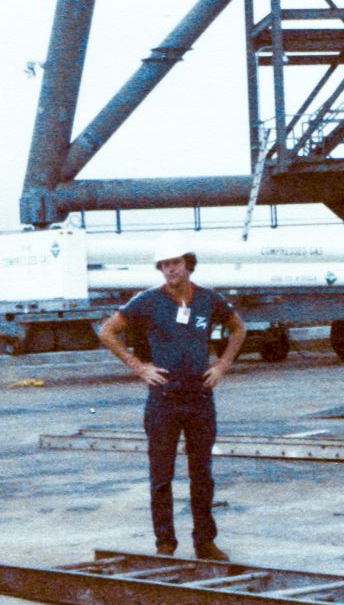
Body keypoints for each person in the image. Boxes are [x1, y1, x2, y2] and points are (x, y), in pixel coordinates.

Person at [98, 233, 246, 561]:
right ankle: (165, 543)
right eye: (164, 265)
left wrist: (222, 364)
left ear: (188, 265)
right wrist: (139, 367)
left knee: (202, 473)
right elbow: (107, 331)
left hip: (200, 398)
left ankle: (204, 542)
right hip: (163, 400)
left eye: (176, 263)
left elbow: (239, 329)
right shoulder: (148, 301)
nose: (171, 270)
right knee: (161, 474)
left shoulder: (209, 300)